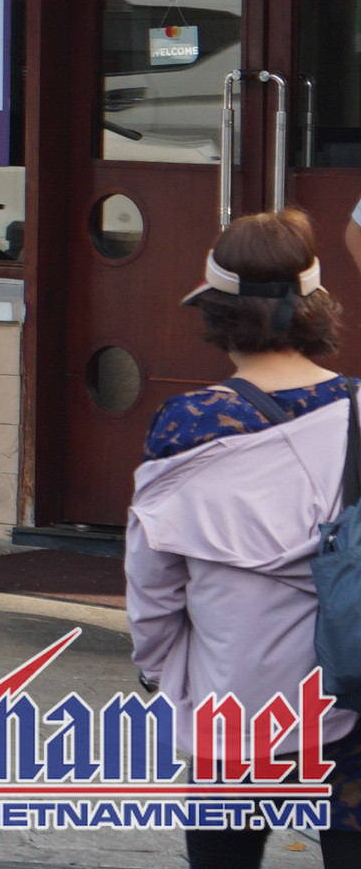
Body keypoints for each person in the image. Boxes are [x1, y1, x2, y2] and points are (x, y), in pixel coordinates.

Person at [128, 208, 361, 869]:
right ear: (316, 307)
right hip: (349, 698)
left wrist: (160, 671)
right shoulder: (358, 411)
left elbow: (152, 581)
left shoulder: (187, 424)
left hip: (232, 708)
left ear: (218, 313)